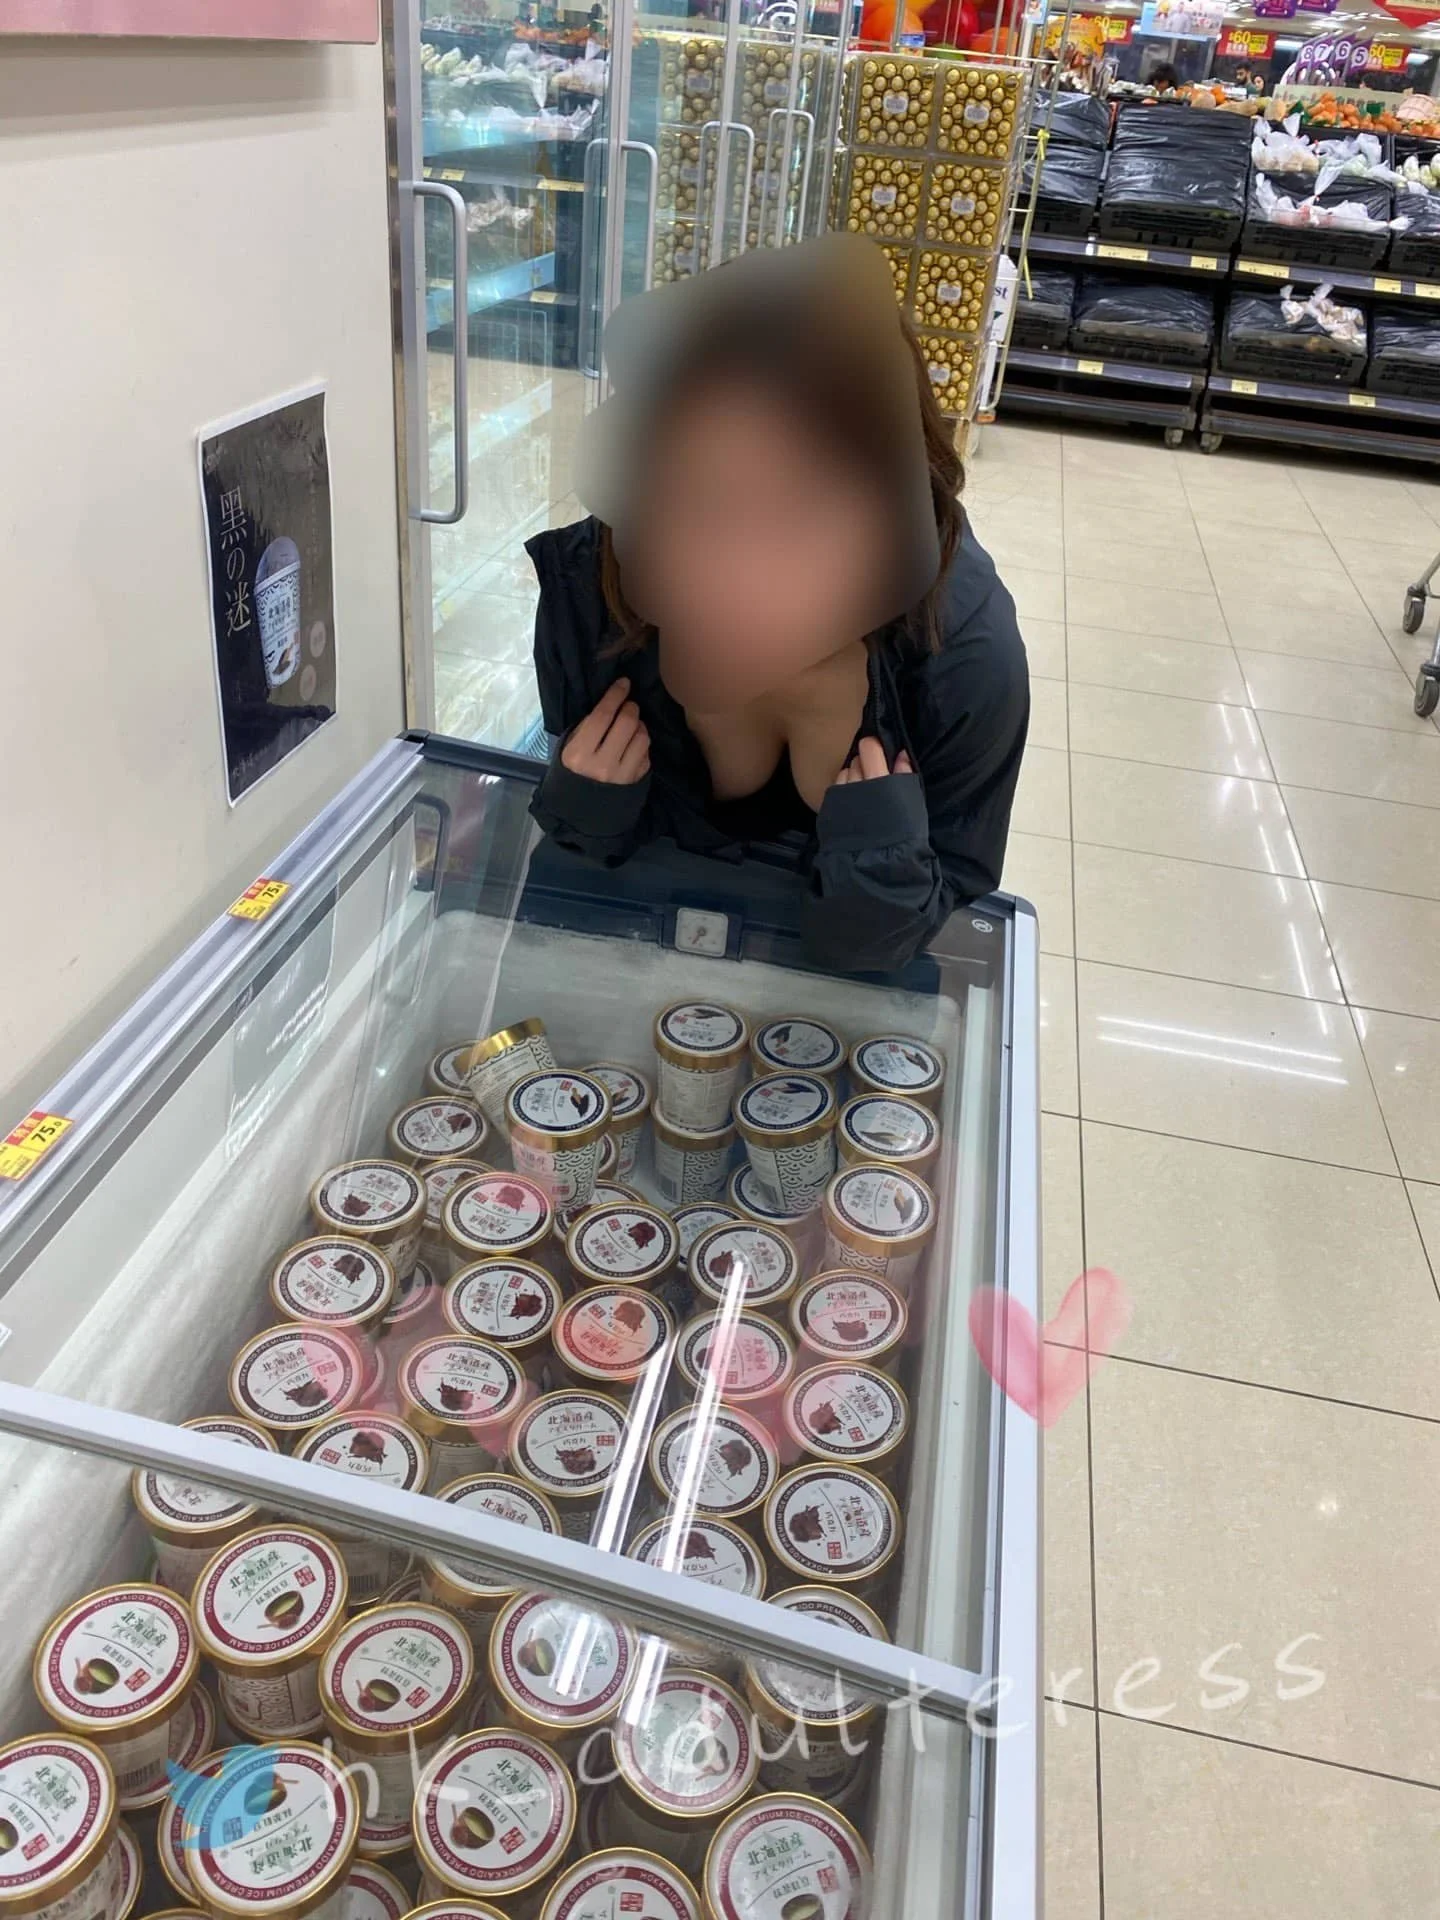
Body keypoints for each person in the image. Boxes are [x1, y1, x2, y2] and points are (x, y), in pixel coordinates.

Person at [525, 235, 1029, 975]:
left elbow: (921, 930)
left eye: (804, 509)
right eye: (701, 499)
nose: (741, 575)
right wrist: (587, 806)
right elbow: (578, 879)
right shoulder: (591, 589)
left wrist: (878, 860)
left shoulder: (963, 655)